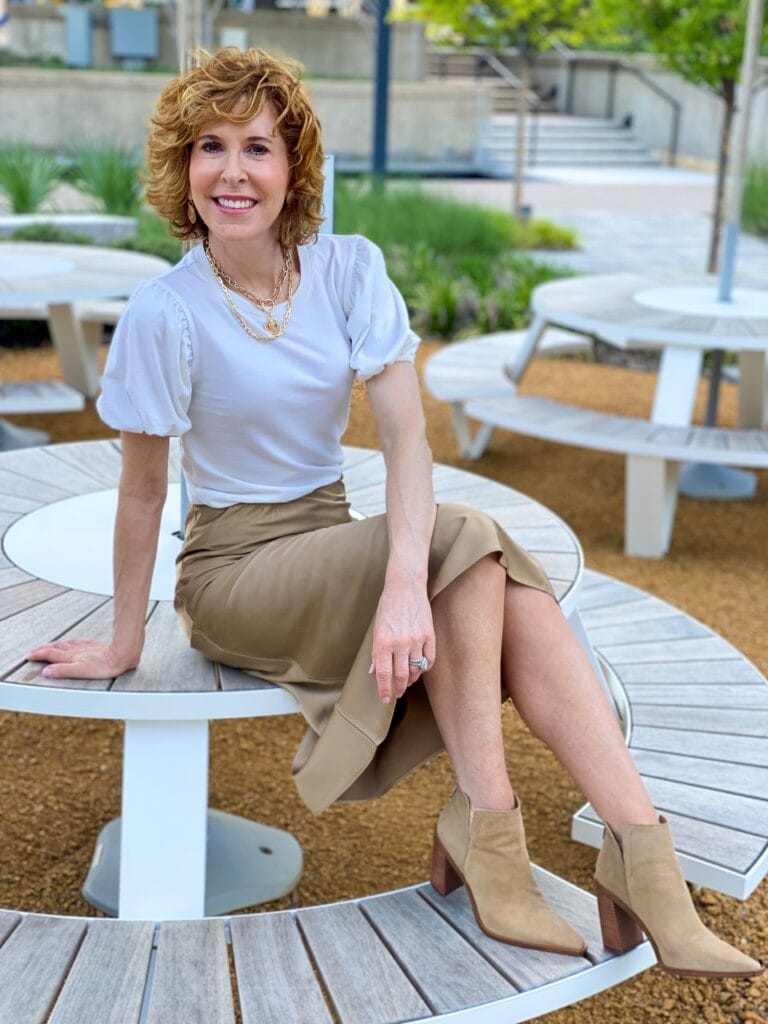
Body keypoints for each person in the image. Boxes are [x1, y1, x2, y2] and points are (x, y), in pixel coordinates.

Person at [28, 48, 761, 978]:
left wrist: (406, 584)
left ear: (294, 166)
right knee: (470, 546)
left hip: (330, 540)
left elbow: (411, 442)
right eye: (209, 147)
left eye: (258, 145)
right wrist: (127, 642)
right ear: (183, 168)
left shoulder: (348, 271)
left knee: (481, 573)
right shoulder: (163, 312)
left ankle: (615, 848)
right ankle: (571, 853)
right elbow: (142, 492)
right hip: (232, 573)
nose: (232, 171)